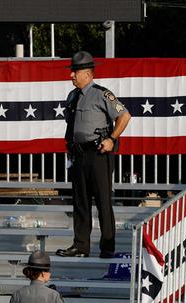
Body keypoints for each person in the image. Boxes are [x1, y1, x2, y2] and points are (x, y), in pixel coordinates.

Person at [57, 51, 132, 258]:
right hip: (79, 155)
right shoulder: (72, 96)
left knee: (102, 201)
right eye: (72, 71)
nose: (71, 75)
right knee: (80, 202)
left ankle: (107, 247)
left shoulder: (102, 94)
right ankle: (81, 245)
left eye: (75, 72)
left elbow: (124, 115)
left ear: (88, 74)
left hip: (98, 154)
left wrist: (112, 139)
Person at [8, 251, 73, 303]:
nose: (50, 273)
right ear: (43, 273)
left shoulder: (17, 295)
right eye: (48, 270)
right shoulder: (53, 295)